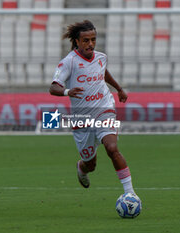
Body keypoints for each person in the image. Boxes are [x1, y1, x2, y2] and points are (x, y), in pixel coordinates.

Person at [49, 20, 139, 197]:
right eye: (86, 40)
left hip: (104, 107)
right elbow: (53, 87)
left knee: (112, 148)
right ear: (76, 41)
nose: (90, 44)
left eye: (93, 39)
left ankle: (130, 193)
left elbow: (103, 72)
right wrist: (68, 91)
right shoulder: (69, 62)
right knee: (91, 164)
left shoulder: (101, 57)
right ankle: (81, 167)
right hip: (82, 118)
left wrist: (118, 88)